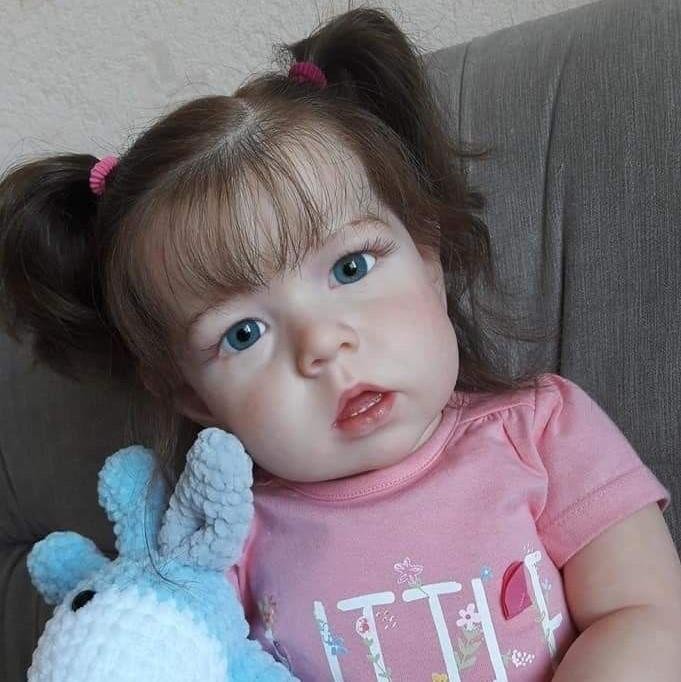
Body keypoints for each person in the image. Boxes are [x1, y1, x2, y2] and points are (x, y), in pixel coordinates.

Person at [1, 6, 680, 681]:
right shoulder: (222, 544)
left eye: (350, 268)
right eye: (244, 333)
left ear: (429, 260)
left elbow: (645, 613)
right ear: (194, 397)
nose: (321, 344)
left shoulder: (542, 431)